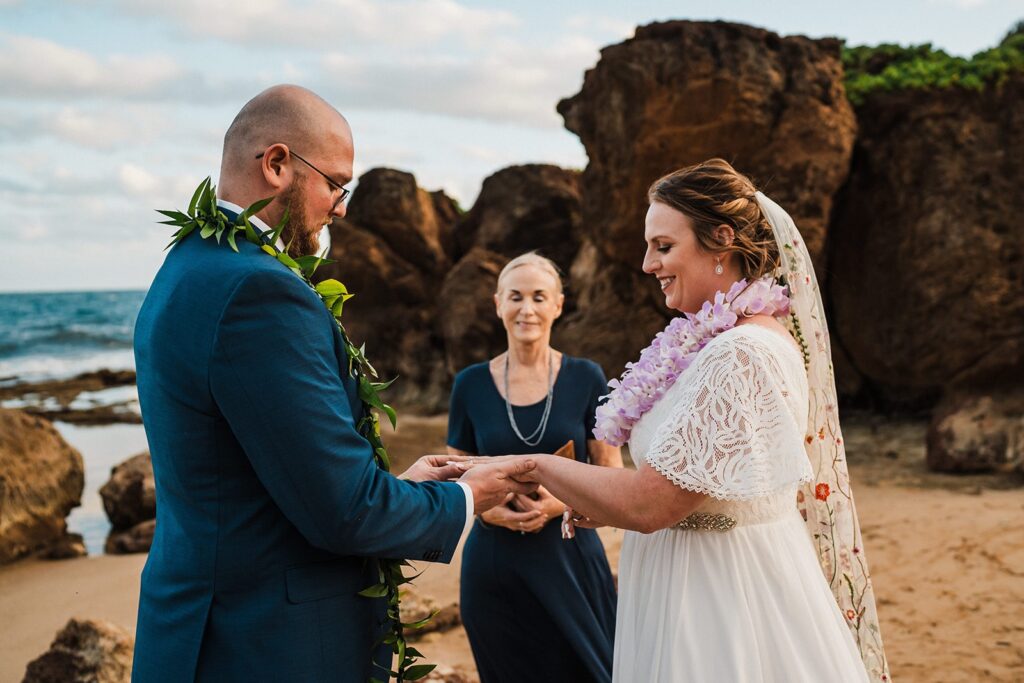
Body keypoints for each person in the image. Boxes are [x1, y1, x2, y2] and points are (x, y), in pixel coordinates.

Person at [131, 84, 537, 682]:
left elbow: (265, 479)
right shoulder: (261, 293)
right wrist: (468, 494)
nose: (342, 207)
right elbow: (345, 513)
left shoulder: (185, 269)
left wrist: (395, 485)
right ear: (276, 165)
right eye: (335, 183)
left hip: (196, 630)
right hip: (269, 646)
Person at [515, 160, 891, 682]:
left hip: (721, 593)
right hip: (689, 575)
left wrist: (530, 464)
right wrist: (600, 500)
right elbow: (697, 485)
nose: (648, 265)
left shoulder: (741, 353)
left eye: (663, 246)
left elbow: (651, 503)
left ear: (721, 241)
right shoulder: (717, 343)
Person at [446, 252, 622, 683]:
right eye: (516, 297)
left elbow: (612, 477)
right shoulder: (469, 384)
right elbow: (453, 477)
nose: (527, 309)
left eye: (539, 297)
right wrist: (487, 510)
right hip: (495, 567)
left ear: (558, 305)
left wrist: (559, 505)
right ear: (497, 304)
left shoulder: (587, 377)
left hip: (572, 562)